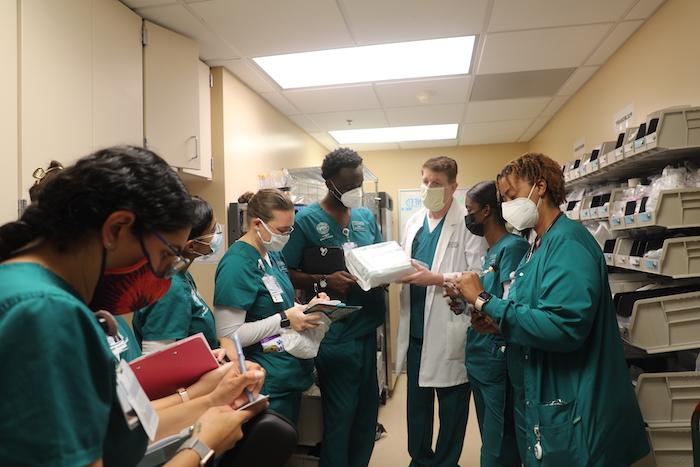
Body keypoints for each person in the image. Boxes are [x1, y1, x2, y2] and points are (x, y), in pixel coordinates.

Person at [0, 146, 264, 466]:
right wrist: (200, 447)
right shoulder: (46, 313)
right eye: (168, 255)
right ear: (116, 229)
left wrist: (210, 399)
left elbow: (119, 433)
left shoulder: (26, 286)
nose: (165, 279)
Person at [453, 152, 650, 466]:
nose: (505, 207)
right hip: (544, 392)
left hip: (576, 402)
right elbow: (531, 309)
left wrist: (484, 300)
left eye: (511, 196)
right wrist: (498, 323)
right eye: (502, 199)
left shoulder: (568, 243)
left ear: (540, 187)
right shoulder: (537, 244)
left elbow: (563, 326)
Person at [282, 148, 387, 467]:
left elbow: (380, 256)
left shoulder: (366, 217)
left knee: (367, 417)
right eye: (350, 184)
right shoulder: (307, 221)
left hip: (367, 329)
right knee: (341, 419)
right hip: (335, 336)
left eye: (360, 182)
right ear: (330, 183)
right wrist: (323, 281)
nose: (357, 190)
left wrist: (386, 274)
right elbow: (285, 271)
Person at [395, 156, 486, 467]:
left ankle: (446, 462)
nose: (429, 188)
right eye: (425, 182)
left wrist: (436, 278)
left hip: (450, 325)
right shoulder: (413, 222)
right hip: (416, 327)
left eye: (436, 183)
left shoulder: (467, 223)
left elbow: (477, 275)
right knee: (417, 405)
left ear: (453, 187)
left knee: (452, 405)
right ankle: (420, 460)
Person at [215, 189, 326, 425]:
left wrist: (307, 307)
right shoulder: (237, 264)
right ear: (257, 223)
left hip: (287, 371)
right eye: (282, 230)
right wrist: (285, 319)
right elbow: (229, 335)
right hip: (265, 380)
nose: (287, 236)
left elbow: (278, 304)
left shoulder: (272, 255)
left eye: (290, 229)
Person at [458, 180, 528, 467]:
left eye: (470, 211)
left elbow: (508, 308)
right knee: (491, 438)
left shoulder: (512, 248)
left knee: (498, 447)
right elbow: (487, 301)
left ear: (487, 211)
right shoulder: (493, 251)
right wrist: (464, 300)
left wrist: (478, 299)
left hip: (496, 360)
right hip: (480, 360)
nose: (468, 218)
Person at [134, 195, 224, 354]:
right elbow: (158, 363)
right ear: (191, 246)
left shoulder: (180, 275)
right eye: (212, 231)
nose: (217, 235)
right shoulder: (168, 287)